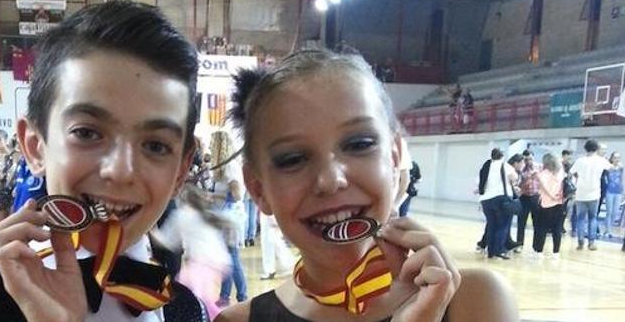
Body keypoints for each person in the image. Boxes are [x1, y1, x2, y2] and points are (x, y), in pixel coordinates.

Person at [0, 0, 209, 321]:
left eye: (155, 145)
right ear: (35, 146)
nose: (120, 170)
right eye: (87, 133)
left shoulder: (184, 309)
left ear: (182, 170)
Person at [217, 49, 518, 322]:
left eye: (359, 144)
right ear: (257, 189)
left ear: (395, 157)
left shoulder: (476, 301)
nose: (331, 179)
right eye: (293, 159)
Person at [152, 185, 232, 319]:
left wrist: (150, 228)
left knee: (195, 298)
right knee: (194, 296)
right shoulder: (204, 213)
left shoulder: (182, 214)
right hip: (219, 262)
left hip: (202, 264)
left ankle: (222, 318)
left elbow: (167, 242)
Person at [208, 130, 249, 308]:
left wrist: (215, 198)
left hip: (230, 218)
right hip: (223, 218)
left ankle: (241, 296)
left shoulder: (230, 166)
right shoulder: (221, 168)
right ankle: (227, 295)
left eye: (212, 143)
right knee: (227, 258)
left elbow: (237, 195)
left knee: (232, 257)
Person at [570, 140, 611, 251]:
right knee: (593, 218)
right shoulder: (601, 160)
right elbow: (610, 167)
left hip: (581, 193)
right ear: (597, 149)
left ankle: (580, 241)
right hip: (594, 193)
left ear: (585, 148)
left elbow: (571, 171)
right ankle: (591, 242)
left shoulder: (580, 160)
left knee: (580, 218)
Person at [478, 149, 518, 259]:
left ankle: (490, 251)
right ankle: (498, 250)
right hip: (501, 198)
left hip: (486, 200)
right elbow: (514, 177)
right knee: (503, 225)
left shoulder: (486, 166)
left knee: (491, 225)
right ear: (502, 156)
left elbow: (479, 183)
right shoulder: (505, 166)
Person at [531, 154, 564, 259]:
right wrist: (557, 197)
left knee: (542, 229)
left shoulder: (542, 174)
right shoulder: (561, 172)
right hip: (559, 203)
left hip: (545, 204)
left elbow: (543, 188)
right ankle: (556, 252)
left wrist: (551, 196)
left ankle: (539, 252)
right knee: (557, 229)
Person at [258, 211, 295, 281]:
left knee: (271, 241)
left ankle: (289, 265)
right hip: (270, 211)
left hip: (269, 212)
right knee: (274, 240)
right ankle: (289, 265)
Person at [516, 151, 540, 250]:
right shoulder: (520, 169)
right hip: (524, 197)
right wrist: (528, 178)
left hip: (536, 196)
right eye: (526, 159)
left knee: (537, 223)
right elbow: (518, 184)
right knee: (521, 222)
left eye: (530, 159)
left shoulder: (539, 167)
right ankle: (519, 244)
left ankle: (537, 246)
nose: (528, 161)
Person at [602, 151, 624, 237]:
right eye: (615, 157)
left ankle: (610, 228)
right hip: (609, 190)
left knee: (615, 212)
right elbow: (605, 177)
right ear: (612, 158)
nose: (617, 159)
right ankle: (607, 230)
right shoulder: (608, 167)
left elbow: (621, 178)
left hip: (618, 191)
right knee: (609, 212)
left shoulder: (621, 167)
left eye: (618, 157)